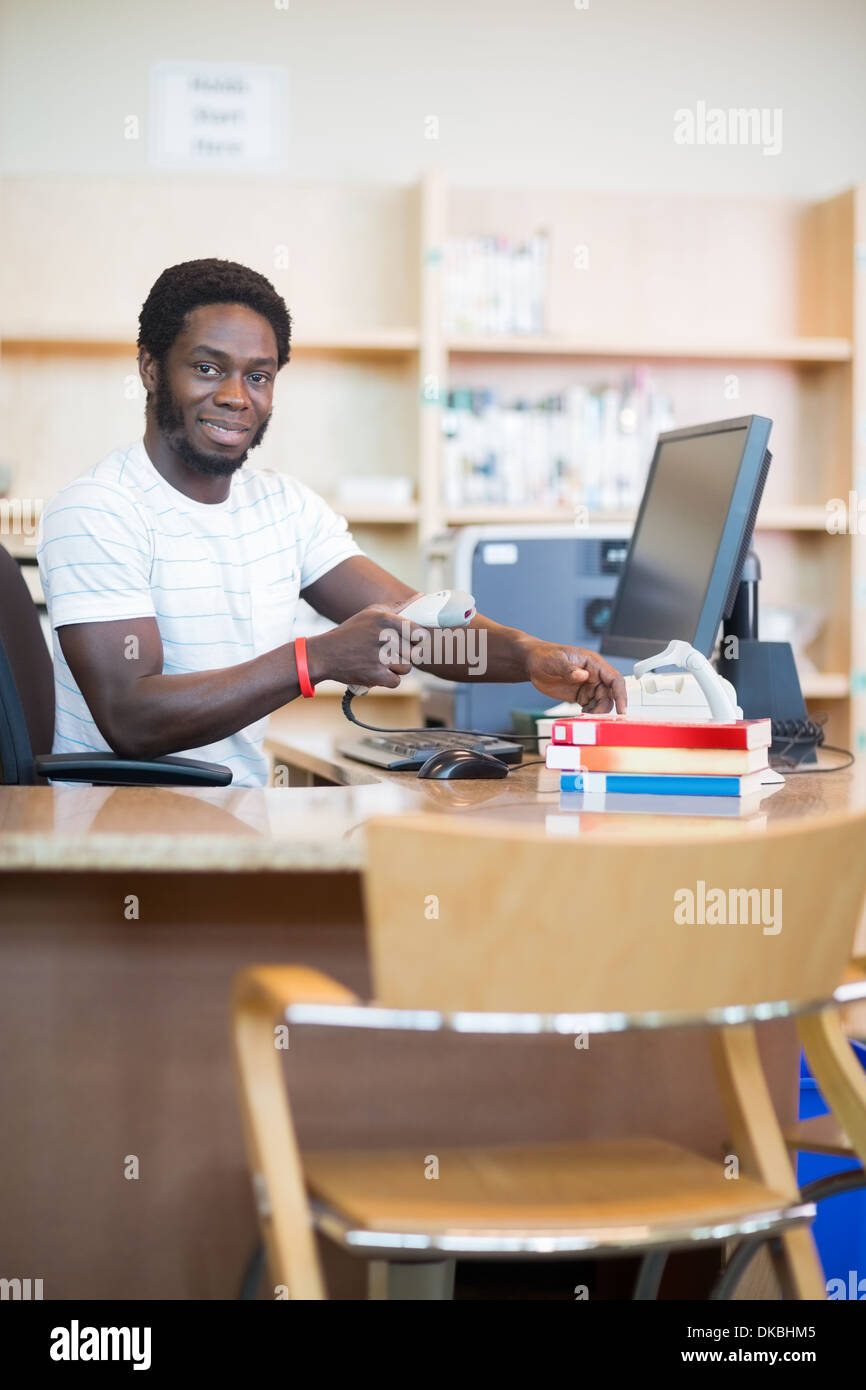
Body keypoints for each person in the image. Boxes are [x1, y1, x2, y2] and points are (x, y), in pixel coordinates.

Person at [36, 258, 626, 787]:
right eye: (209, 369)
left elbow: (414, 628)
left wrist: (530, 655)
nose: (238, 396)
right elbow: (131, 720)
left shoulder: (283, 508)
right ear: (149, 369)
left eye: (259, 376)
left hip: (230, 814)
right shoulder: (98, 510)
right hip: (120, 832)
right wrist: (312, 659)